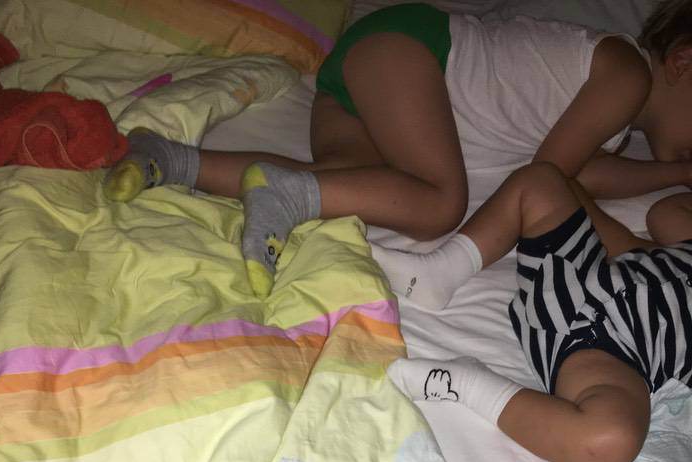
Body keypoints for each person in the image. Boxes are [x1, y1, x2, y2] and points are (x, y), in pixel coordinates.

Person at [102, 1, 692, 299]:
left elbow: (588, 173)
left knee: (344, 182)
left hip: (372, 75)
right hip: (411, 50)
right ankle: (274, 191)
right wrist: (632, 249)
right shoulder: (625, 75)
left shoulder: (617, 119)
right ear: (683, 61)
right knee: (438, 204)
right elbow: (553, 180)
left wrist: (673, 172)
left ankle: (170, 158)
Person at [385, 162, 692, 462]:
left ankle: (466, 382)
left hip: (613, 354)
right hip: (569, 274)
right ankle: (442, 270)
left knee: (609, 439)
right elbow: (664, 214)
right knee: (540, 181)